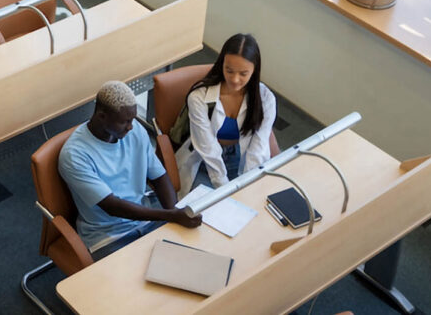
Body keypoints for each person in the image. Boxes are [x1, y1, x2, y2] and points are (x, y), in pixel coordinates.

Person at [58, 80, 202, 255]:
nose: (131, 127)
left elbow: (159, 176)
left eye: (132, 119)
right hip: (108, 236)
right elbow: (112, 206)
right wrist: (170, 216)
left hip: (144, 220)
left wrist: (174, 212)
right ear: (102, 116)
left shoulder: (134, 131)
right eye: (124, 121)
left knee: (193, 253)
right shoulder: (74, 155)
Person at [176, 33, 277, 192]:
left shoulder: (266, 99)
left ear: (254, 70)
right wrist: (224, 190)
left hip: (240, 156)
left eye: (243, 73)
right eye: (229, 71)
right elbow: (208, 149)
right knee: (210, 208)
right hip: (204, 161)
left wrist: (248, 184)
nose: (235, 79)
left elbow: (258, 148)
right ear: (221, 63)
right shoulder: (199, 98)